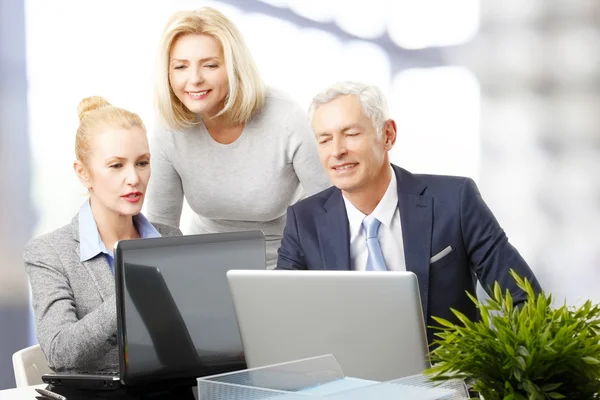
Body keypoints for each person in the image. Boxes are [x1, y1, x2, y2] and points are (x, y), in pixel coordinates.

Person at [277, 81, 542, 344]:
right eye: (324, 140)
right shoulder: (304, 221)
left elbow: (525, 300)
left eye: (351, 134)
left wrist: (500, 372)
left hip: (445, 380)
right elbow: (283, 322)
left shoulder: (455, 201)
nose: (337, 151)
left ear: (388, 135)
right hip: (348, 382)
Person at [146, 7, 331, 268]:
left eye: (210, 65)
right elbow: (160, 229)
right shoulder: (169, 128)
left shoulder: (285, 117)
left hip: (285, 264)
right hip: (201, 266)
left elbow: (331, 212)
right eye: (180, 67)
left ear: (234, 67)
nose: (194, 79)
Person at [23, 97, 181, 373]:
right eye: (116, 165)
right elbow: (60, 351)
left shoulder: (172, 240)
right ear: (84, 174)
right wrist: (130, 292)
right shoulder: (49, 253)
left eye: (142, 163)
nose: (134, 178)